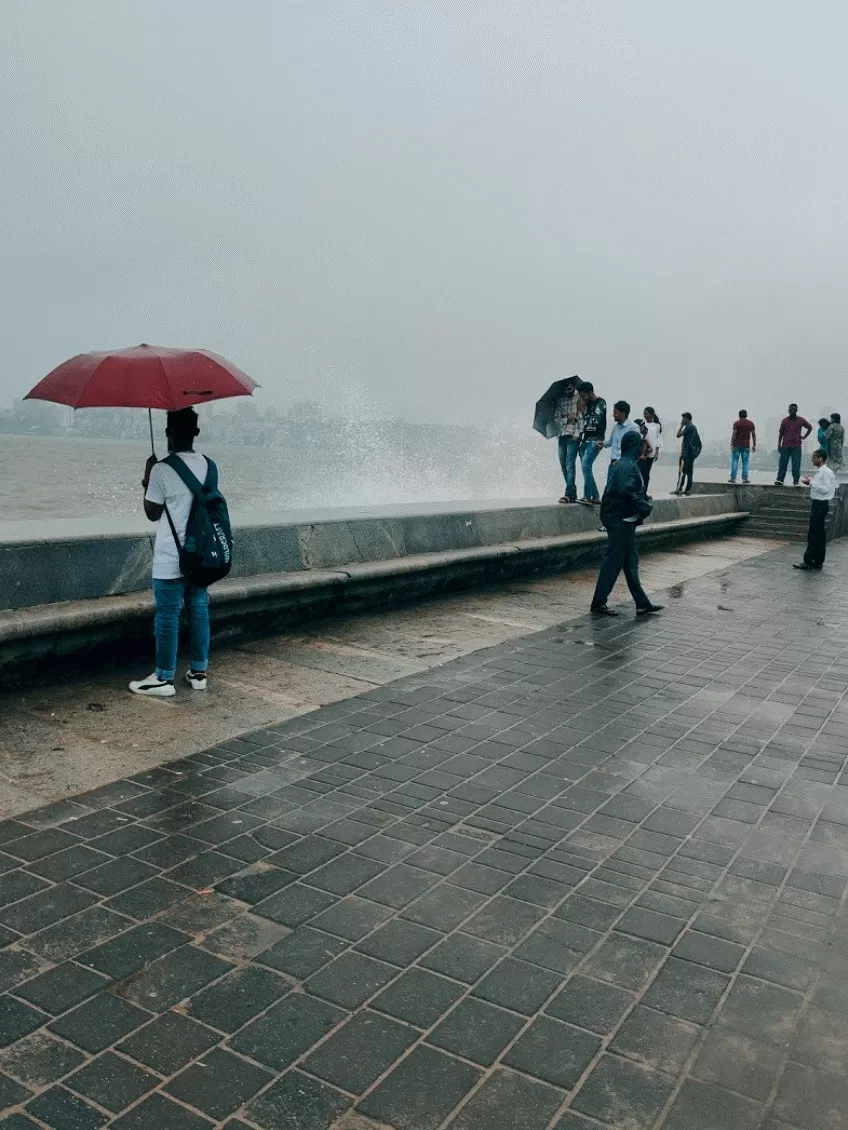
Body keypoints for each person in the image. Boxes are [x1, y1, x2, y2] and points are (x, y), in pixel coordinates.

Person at [130, 408, 213, 697]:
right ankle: (199, 672)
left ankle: (164, 679)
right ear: (196, 433)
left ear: (168, 433)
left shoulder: (162, 469)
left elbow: (152, 512)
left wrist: (147, 477)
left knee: (167, 615)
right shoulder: (210, 466)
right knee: (199, 610)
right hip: (201, 554)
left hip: (171, 555)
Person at [590, 431, 663, 617]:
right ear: (634, 446)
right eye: (641, 446)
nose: (643, 449)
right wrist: (645, 506)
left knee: (630, 562)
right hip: (619, 520)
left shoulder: (626, 464)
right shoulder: (625, 465)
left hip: (621, 518)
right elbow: (626, 491)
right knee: (613, 561)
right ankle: (598, 603)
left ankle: (642, 604)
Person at [794, 449, 836, 570]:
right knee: (819, 534)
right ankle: (817, 561)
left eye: (814, 457)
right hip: (818, 504)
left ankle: (809, 560)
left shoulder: (826, 472)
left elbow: (826, 489)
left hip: (820, 505)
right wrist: (811, 482)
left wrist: (812, 482)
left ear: (820, 459)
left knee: (814, 534)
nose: (812, 460)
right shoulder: (822, 472)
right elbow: (821, 487)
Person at [554, 376, 583, 504]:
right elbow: (556, 419)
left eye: (570, 388)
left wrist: (578, 433)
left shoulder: (580, 399)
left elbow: (582, 418)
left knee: (570, 464)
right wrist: (568, 418)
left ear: (574, 387)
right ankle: (572, 491)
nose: (567, 390)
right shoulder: (560, 401)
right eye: (565, 389)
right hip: (562, 435)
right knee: (563, 464)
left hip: (573, 435)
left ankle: (569, 493)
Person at [577, 382, 606, 505]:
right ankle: (595, 496)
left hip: (596, 439)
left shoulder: (601, 402)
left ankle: (587, 496)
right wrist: (580, 412)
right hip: (585, 440)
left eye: (583, 396)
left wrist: (584, 413)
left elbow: (596, 419)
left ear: (590, 393)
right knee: (586, 469)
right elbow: (582, 425)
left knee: (585, 466)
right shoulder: (585, 405)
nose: (582, 399)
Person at [600, 400, 640, 475]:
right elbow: (611, 442)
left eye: (616, 413)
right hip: (613, 464)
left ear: (623, 413)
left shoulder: (633, 428)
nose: (613, 415)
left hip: (624, 466)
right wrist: (602, 444)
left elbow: (635, 449)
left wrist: (620, 462)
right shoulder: (616, 427)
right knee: (610, 486)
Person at [775, 403, 812, 486]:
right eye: (790, 409)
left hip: (796, 446)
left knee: (796, 464)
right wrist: (778, 445)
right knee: (782, 464)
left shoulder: (801, 420)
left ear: (796, 410)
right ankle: (780, 480)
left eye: (793, 409)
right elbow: (781, 434)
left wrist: (804, 437)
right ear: (788, 410)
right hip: (785, 446)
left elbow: (810, 427)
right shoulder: (784, 421)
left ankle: (795, 481)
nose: (791, 411)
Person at [672, 412, 701, 495]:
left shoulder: (689, 427)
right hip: (691, 454)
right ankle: (687, 489)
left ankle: (679, 489)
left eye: (683, 419)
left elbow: (678, 435)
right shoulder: (693, 427)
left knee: (682, 472)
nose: (682, 420)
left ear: (686, 419)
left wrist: (681, 426)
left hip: (686, 454)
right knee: (689, 472)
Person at [729, 410, 756, 484]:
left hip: (737, 445)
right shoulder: (751, 424)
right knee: (745, 462)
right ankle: (745, 479)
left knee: (734, 461)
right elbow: (753, 435)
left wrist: (732, 444)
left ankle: (733, 478)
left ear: (739, 415)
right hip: (746, 446)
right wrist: (754, 445)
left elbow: (734, 434)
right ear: (746, 415)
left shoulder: (737, 423)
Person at [641, 407, 662, 496]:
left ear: (651, 414)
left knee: (647, 473)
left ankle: (644, 492)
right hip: (643, 452)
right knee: (643, 473)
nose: (645, 415)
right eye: (644, 413)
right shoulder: (642, 423)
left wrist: (657, 453)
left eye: (646, 413)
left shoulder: (657, 425)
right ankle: (641, 492)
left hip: (652, 453)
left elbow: (658, 439)